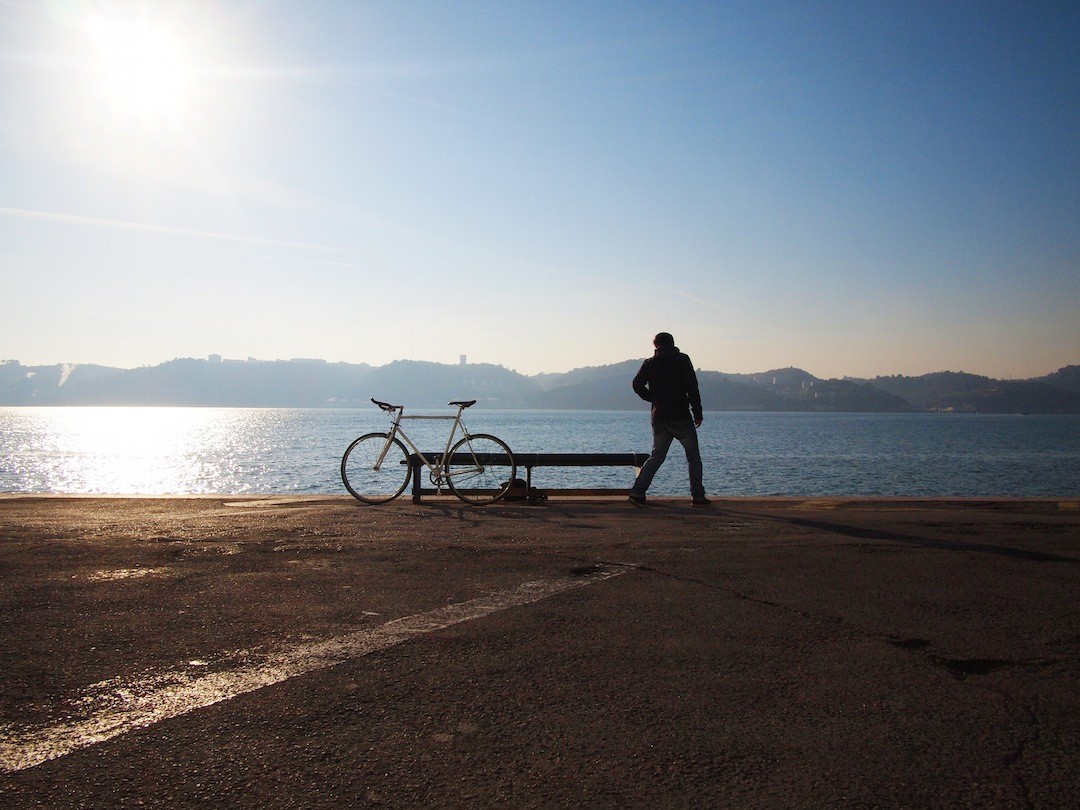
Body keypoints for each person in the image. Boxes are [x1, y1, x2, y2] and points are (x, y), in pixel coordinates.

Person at [628, 332, 710, 507]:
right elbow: (692, 387)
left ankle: (637, 492)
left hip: (659, 416)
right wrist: (698, 413)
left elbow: (636, 384)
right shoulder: (682, 360)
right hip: (680, 415)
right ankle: (698, 496)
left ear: (655, 345)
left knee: (657, 456)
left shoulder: (650, 363)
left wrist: (653, 398)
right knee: (693, 457)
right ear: (673, 343)